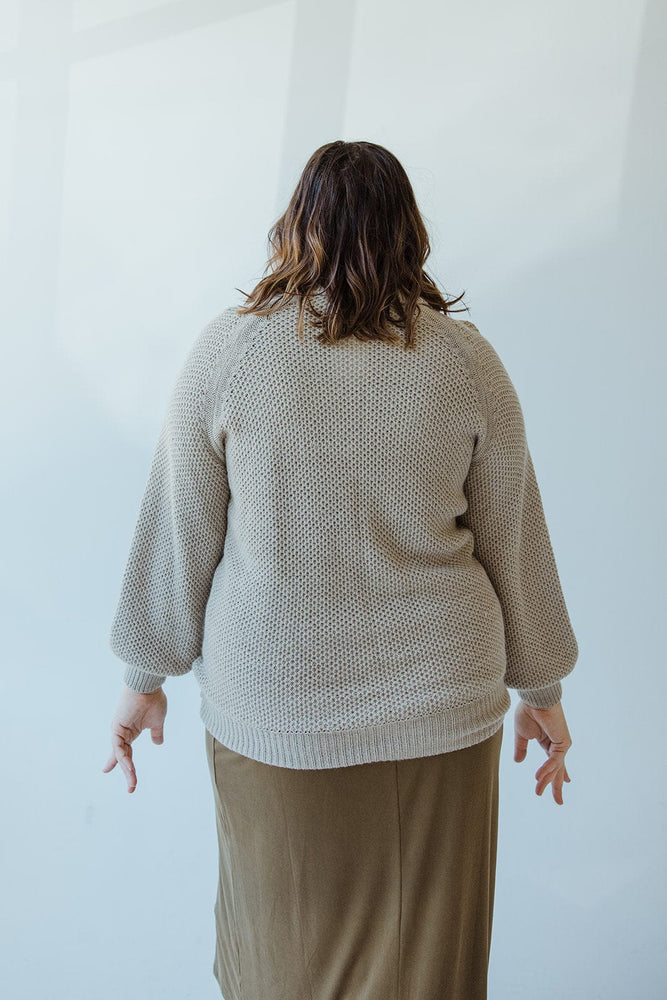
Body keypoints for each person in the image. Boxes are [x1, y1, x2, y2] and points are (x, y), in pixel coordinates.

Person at [103, 140, 577, 1000]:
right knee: (425, 970)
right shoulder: (465, 361)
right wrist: (540, 691)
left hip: (277, 711)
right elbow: (516, 537)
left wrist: (144, 677)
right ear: (408, 232)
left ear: (296, 227)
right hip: (441, 707)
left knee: (277, 965)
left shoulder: (230, 353)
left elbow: (181, 529)